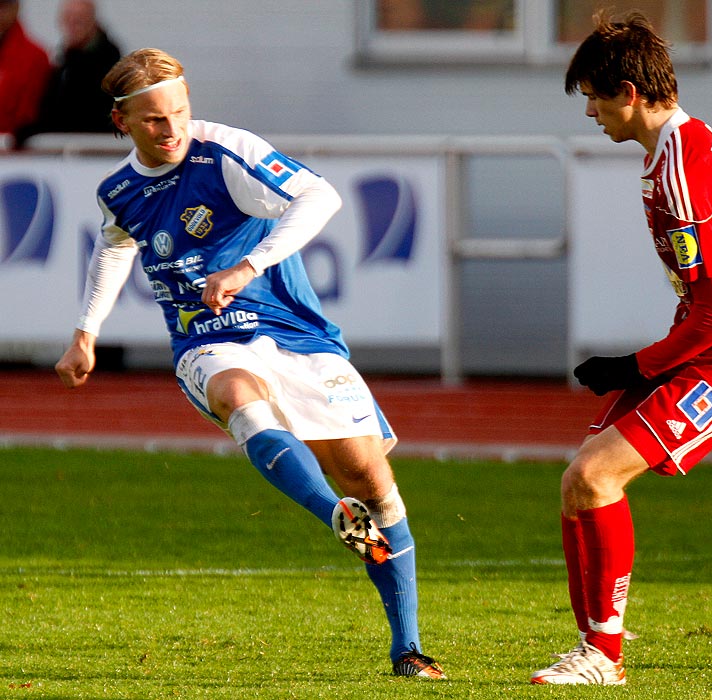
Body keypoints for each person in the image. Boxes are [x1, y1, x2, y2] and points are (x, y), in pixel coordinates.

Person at [54, 48, 445, 680]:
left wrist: (246, 266)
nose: (172, 127)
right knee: (239, 395)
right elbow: (114, 248)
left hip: (300, 336)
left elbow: (320, 198)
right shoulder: (119, 191)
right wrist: (85, 331)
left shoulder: (224, 152)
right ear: (122, 122)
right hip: (206, 339)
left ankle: (408, 649)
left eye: (180, 110)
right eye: (154, 119)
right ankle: (335, 518)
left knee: (370, 479)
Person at [529, 12, 712, 686]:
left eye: (593, 95)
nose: (589, 110)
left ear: (627, 91)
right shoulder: (691, 146)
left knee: (594, 477)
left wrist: (632, 366)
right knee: (581, 483)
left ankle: (603, 657)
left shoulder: (680, 172)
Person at [16, 0, 121, 145]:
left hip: (91, 150)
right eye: (67, 19)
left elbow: (81, 114)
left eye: (78, 20)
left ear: (92, 21)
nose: (72, 26)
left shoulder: (107, 65)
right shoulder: (66, 62)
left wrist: (35, 130)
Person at [0, 0, 51, 140]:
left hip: (14, 153)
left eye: (3, 6)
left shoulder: (35, 57)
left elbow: (28, 114)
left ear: (16, 8)